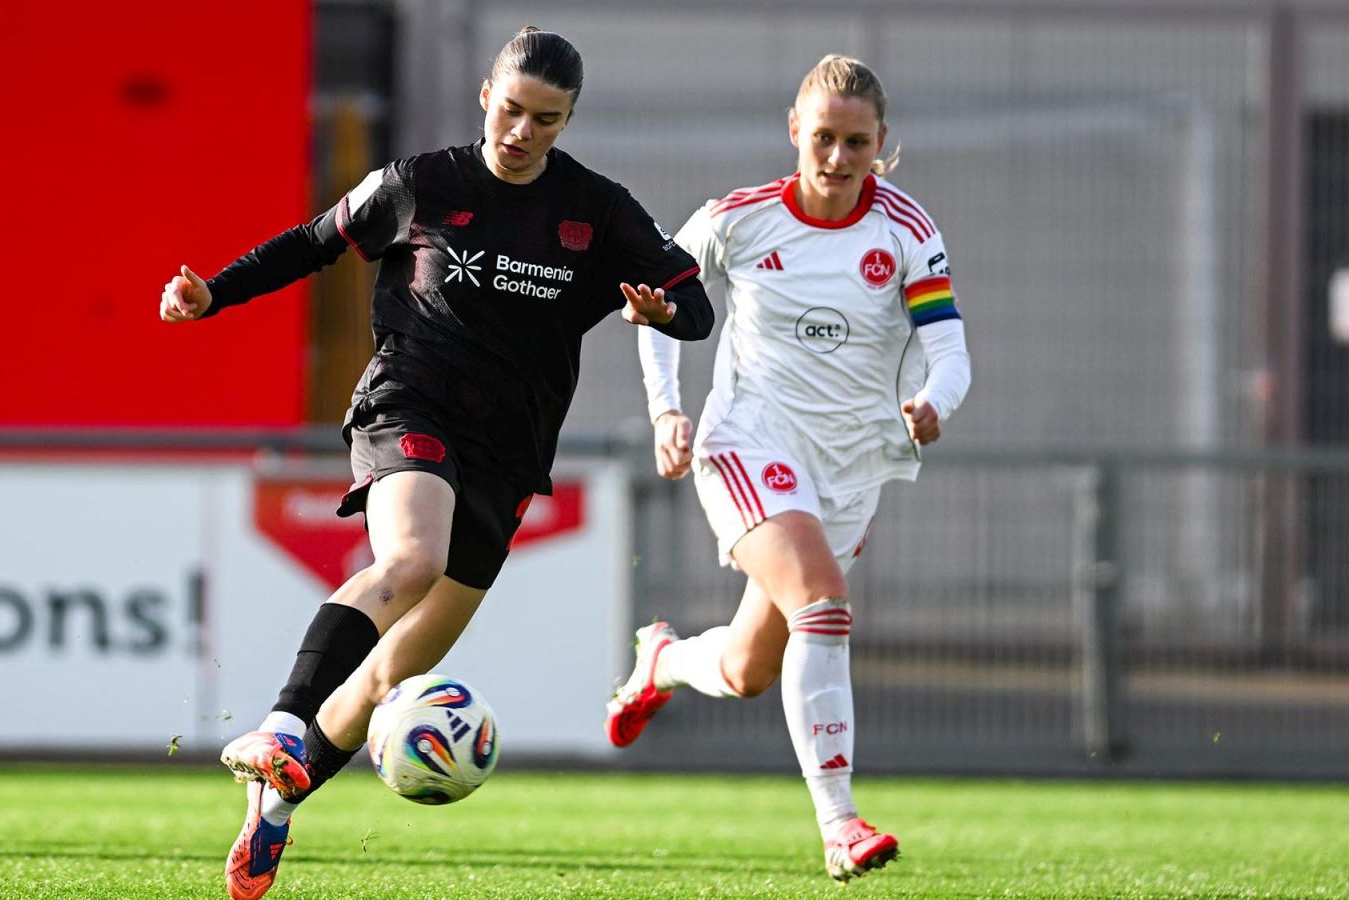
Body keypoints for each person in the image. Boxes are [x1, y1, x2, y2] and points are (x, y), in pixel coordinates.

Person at [160, 27, 713, 900]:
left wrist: (660, 314)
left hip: (508, 451)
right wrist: (214, 293)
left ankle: (273, 808)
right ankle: (280, 722)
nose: (522, 131)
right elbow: (314, 240)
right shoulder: (421, 182)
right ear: (485, 94)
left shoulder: (597, 210)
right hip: (410, 403)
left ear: (566, 122)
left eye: (545, 119)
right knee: (409, 561)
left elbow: (694, 301)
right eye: (511, 108)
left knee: (392, 671)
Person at [604, 54, 971, 884]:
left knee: (746, 669)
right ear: (794, 133)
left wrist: (934, 403)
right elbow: (660, 307)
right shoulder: (739, 219)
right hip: (750, 442)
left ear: (882, 144)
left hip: (851, 465)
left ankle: (662, 660)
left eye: (856, 143)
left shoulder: (907, 232)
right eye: (823, 139)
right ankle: (840, 825)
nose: (838, 160)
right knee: (823, 601)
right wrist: (668, 407)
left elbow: (949, 347)